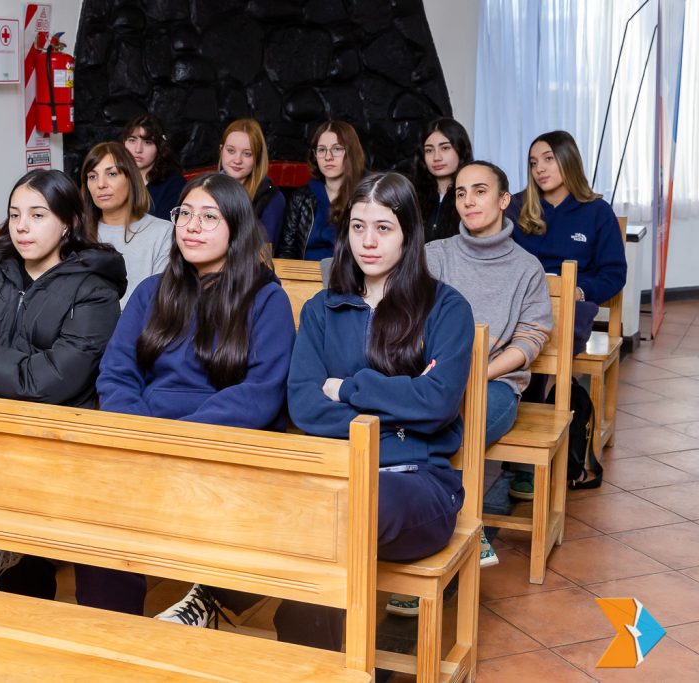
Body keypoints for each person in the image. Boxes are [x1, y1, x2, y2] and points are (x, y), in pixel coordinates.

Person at [157, 173, 474, 648]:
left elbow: (439, 403)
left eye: (383, 228)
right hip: (333, 474)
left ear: (409, 234)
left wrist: (349, 388)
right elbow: (304, 405)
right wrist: (401, 407)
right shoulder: (324, 309)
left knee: (343, 513)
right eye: (358, 227)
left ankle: (216, 599)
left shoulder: (447, 308)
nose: (368, 242)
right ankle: (310, 653)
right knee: (297, 507)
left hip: (418, 482)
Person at [85, 172, 296, 615]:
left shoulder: (265, 300)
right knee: (98, 511)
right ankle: (112, 632)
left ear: (237, 228)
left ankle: (206, 603)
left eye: (209, 217)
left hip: (221, 448)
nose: (192, 227)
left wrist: (181, 438)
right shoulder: (152, 292)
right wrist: (142, 432)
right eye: (184, 214)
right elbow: (117, 373)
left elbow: (261, 393)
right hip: (146, 441)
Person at [0, 169, 126, 592]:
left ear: (68, 223)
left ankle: (8, 555)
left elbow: (53, 379)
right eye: (15, 214)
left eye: (38, 215)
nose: (22, 226)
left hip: (55, 430)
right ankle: (1, 553)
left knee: (28, 539)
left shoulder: (94, 291)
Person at [425, 160, 552, 571]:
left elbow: (531, 338)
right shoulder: (435, 255)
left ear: (503, 200)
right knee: (407, 427)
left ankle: (446, 534)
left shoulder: (526, 268)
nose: (468, 201)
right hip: (433, 376)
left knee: (449, 433)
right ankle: (458, 531)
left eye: (480, 191)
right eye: (461, 193)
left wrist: (479, 374)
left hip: (494, 383)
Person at [505, 130, 627, 499]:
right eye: (533, 162)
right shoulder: (517, 207)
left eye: (548, 159)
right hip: (521, 302)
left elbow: (614, 273)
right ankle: (512, 431)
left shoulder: (597, 212)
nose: (539, 169)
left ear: (568, 160)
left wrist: (580, 289)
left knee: (548, 338)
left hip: (572, 305)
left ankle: (528, 458)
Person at [81, 141, 173, 308]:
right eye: (92, 176)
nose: (101, 184)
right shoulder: (79, 233)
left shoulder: (163, 232)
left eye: (112, 174)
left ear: (130, 178)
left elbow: (160, 301)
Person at [277, 119, 366, 260]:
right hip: (305, 271)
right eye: (322, 150)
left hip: (350, 271)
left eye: (337, 149)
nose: (328, 157)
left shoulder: (369, 194)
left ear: (351, 152)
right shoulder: (301, 197)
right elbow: (286, 250)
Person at [218, 118, 286, 248]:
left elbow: (264, 252)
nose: (237, 160)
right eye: (231, 151)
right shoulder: (204, 189)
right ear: (221, 150)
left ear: (257, 158)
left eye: (247, 154)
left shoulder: (272, 198)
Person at [412, 117, 474, 243]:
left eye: (445, 148)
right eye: (429, 150)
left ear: (461, 150)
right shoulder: (412, 195)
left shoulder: (473, 196)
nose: (436, 157)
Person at [121, 113, 187, 220]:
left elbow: (167, 227)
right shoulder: (115, 176)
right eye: (132, 140)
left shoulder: (174, 184)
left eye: (148, 142)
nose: (138, 149)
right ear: (124, 142)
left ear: (159, 147)